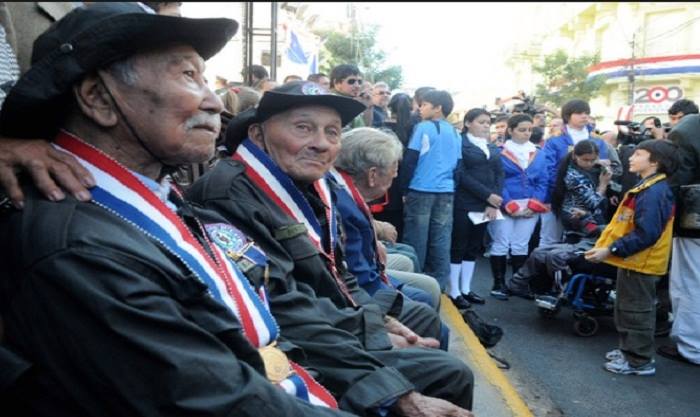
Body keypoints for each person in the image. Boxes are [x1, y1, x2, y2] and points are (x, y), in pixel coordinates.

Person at [0, 3, 353, 415]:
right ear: (99, 98)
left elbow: (260, 326)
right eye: (188, 75)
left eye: (205, 78)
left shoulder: (159, 202)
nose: (214, 103)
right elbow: (214, 399)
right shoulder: (80, 246)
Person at [185, 82, 476, 412]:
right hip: (292, 347)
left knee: (426, 332)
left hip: (328, 322)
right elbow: (281, 306)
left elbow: (339, 273)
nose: (321, 144)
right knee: (449, 373)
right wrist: (374, 342)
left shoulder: (303, 185)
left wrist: (377, 321)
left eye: (333, 132)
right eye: (303, 128)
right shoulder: (231, 195)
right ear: (257, 134)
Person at [586, 140, 679, 376]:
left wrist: (611, 250)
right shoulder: (648, 186)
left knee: (636, 312)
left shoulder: (655, 191)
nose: (631, 157)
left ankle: (639, 361)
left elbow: (647, 233)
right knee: (626, 308)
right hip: (633, 260)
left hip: (641, 262)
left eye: (638, 154)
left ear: (655, 162)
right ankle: (629, 350)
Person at [333, 127, 442, 310]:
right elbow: (362, 279)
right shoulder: (345, 205)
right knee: (424, 298)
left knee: (417, 273)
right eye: (393, 168)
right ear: (373, 175)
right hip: (358, 295)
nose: (396, 174)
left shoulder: (343, 193)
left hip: (363, 276)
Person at [400, 89, 462, 293]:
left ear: (438, 108)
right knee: (441, 238)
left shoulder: (423, 127)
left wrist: (403, 188)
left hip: (420, 189)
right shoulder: (454, 132)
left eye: (424, 105)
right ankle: (439, 285)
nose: (420, 108)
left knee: (416, 238)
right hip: (446, 192)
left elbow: (411, 159)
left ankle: (414, 284)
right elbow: (458, 166)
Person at [490, 114, 549, 300]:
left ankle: (518, 284)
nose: (527, 133)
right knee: (501, 242)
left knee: (521, 244)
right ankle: (498, 284)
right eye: (522, 130)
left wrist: (534, 205)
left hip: (530, 205)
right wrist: (509, 205)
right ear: (511, 130)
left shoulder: (538, 152)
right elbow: (498, 180)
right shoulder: (499, 151)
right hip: (505, 203)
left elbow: (543, 181)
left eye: (529, 130)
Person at [657, 112, 700, 365]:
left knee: (690, 283)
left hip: (694, 224)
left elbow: (676, 179)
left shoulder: (688, 129)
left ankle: (692, 347)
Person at [449, 108, 503, 307]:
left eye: (488, 122)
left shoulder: (492, 146)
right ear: (468, 123)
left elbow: (499, 173)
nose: (486, 125)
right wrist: (487, 195)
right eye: (481, 122)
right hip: (464, 202)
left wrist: (494, 199)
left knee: (474, 247)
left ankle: (466, 289)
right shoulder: (460, 144)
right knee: (459, 245)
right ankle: (454, 291)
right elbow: (461, 175)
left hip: (486, 204)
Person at [541, 99, 610, 247]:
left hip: (589, 198)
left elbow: (604, 168)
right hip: (558, 195)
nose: (584, 116)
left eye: (586, 113)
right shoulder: (555, 140)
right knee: (550, 238)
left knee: (588, 240)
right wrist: (557, 192)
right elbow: (548, 170)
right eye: (579, 113)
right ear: (567, 116)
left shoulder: (598, 141)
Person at [550, 140, 612, 243]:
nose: (589, 163)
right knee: (581, 247)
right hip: (577, 217)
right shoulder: (573, 175)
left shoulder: (592, 168)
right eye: (585, 160)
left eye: (592, 160)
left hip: (588, 215)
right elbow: (593, 202)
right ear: (575, 156)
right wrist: (603, 184)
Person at [330, 64, 370, 128]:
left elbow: (365, 130)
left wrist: (369, 107)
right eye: (351, 81)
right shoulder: (332, 103)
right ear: (336, 83)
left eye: (359, 82)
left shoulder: (350, 102)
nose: (357, 86)